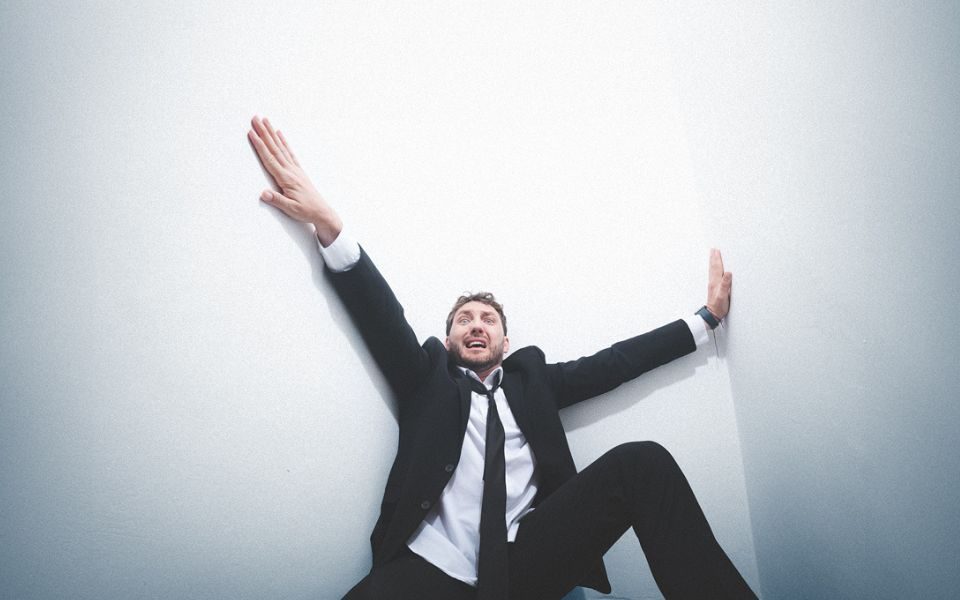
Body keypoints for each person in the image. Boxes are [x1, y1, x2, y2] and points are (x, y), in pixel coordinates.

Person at [247, 116, 756, 600]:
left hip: (525, 562)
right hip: (425, 571)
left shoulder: (534, 380)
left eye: (488, 319)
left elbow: (615, 363)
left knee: (644, 463)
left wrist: (704, 321)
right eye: (464, 319)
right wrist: (330, 226)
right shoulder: (427, 378)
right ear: (448, 341)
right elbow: (382, 319)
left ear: (505, 344)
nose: (475, 325)